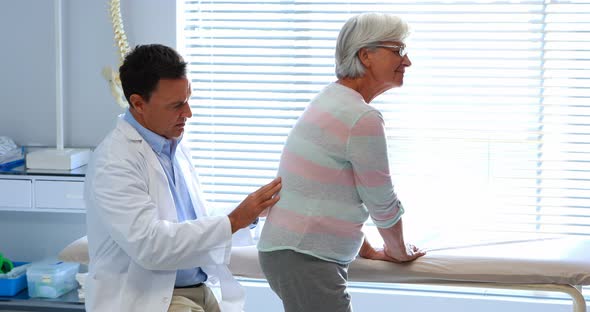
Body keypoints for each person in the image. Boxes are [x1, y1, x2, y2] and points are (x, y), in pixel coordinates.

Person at [84, 44, 281, 312]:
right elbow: (151, 245)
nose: (188, 113)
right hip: (149, 298)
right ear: (138, 103)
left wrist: (251, 213)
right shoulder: (114, 161)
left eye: (187, 100)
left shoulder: (171, 145)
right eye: (176, 105)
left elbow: (193, 219)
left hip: (195, 289)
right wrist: (234, 221)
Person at [257, 12, 425, 311]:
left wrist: (368, 249)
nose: (407, 61)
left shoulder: (333, 100)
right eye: (398, 50)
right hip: (304, 256)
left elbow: (330, 190)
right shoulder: (361, 116)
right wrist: (398, 251)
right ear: (366, 55)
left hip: (294, 253)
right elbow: (380, 200)